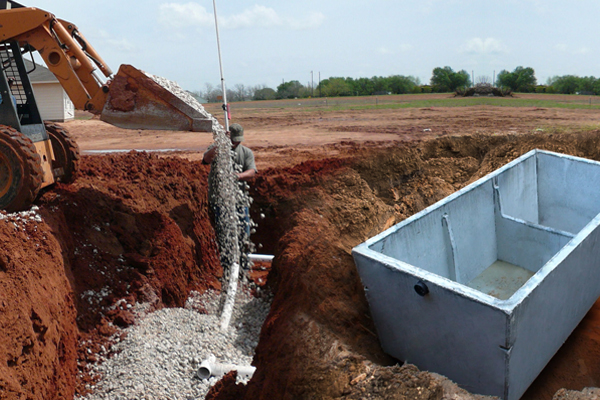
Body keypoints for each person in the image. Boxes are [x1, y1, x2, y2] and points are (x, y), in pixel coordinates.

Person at [202, 123, 257, 268]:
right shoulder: (217, 149)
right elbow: (206, 160)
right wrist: (220, 143)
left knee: (244, 234)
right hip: (220, 200)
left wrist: (237, 176)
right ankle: (227, 265)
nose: (236, 142)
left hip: (239, 201)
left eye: (238, 140)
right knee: (224, 234)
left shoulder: (246, 152)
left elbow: (252, 171)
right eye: (233, 140)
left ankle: (243, 266)